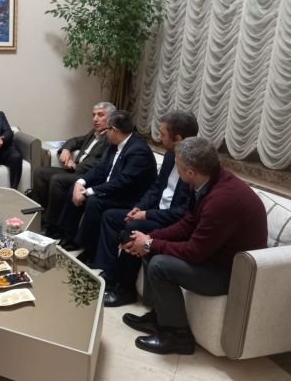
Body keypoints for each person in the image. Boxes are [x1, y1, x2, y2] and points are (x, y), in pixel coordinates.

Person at [121, 137, 267, 355]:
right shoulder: (205, 182)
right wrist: (148, 238)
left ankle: (178, 337)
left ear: (190, 171)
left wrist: (150, 243)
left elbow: (194, 252)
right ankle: (159, 318)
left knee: (160, 264)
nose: (174, 165)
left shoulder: (222, 200)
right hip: (212, 257)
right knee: (152, 250)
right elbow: (186, 225)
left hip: (230, 275)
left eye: (177, 164)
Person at [96, 110, 198, 307]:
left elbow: (182, 213)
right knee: (111, 216)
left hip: (173, 222)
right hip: (155, 212)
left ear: (177, 139)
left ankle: (125, 291)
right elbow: (156, 187)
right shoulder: (170, 156)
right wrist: (139, 207)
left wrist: (146, 214)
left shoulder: (195, 168)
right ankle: (110, 273)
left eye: (162, 134)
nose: (158, 138)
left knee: (132, 229)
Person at [57, 110, 157, 255]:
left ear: (114, 130)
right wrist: (81, 183)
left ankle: (89, 249)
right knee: (75, 187)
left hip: (128, 197)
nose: (106, 133)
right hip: (113, 189)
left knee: (93, 201)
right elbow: (100, 169)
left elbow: (122, 182)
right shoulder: (115, 143)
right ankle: (68, 236)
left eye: (107, 130)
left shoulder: (138, 150)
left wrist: (88, 191)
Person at [33, 102, 113, 236]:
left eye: (100, 115)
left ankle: (53, 226)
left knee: (57, 179)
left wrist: (75, 166)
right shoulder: (94, 133)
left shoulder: (110, 137)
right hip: (75, 170)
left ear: (110, 118)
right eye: (93, 115)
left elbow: (100, 163)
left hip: (88, 176)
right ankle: (39, 215)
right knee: (40, 172)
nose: (95, 119)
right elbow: (75, 140)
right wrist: (66, 149)